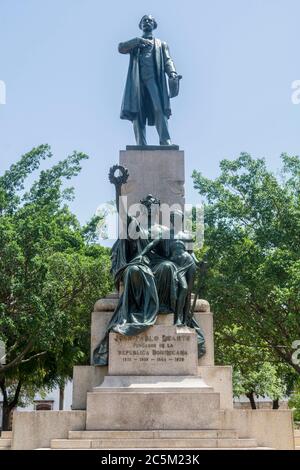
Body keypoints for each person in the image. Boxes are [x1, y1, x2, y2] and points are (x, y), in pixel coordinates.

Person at [118, 14, 179, 145]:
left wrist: (172, 73)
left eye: (150, 20)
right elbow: (121, 48)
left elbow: (168, 60)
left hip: (154, 80)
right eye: (144, 20)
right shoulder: (136, 43)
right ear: (140, 25)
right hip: (137, 81)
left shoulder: (161, 44)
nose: (147, 22)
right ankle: (140, 143)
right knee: (137, 112)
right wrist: (136, 41)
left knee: (159, 108)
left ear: (154, 25)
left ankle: (165, 140)